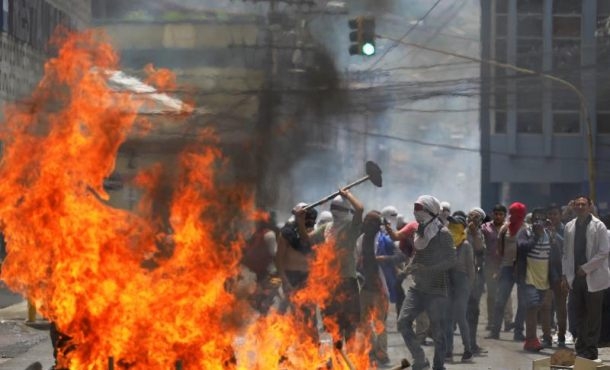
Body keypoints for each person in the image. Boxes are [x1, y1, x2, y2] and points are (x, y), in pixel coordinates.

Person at [396, 195, 455, 370]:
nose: (416, 212)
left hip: (436, 288)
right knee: (403, 322)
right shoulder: (419, 232)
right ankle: (420, 358)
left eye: (419, 208)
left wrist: (429, 269)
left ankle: (438, 366)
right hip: (418, 287)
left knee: (438, 332)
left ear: (430, 211)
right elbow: (418, 256)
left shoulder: (443, 233)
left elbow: (451, 260)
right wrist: (406, 270)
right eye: (415, 208)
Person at [298, 189, 364, 344]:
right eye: (334, 208)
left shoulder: (351, 227)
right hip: (330, 283)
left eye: (339, 208)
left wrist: (347, 195)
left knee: (350, 327)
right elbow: (306, 239)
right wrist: (300, 220)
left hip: (347, 281)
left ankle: (351, 363)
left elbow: (360, 209)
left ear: (346, 210)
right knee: (334, 328)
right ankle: (338, 361)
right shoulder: (327, 227)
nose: (336, 211)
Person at [561, 196, 610, 360]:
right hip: (575, 278)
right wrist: (565, 276)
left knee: (593, 315)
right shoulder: (569, 226)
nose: (580, 207)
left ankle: (591, 349)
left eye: (584, 204)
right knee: (578, 314)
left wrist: (586, 268)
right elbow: (566, 253)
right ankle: (580, 347)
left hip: (594, 277)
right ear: (574, 207)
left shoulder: (599, 226)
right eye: (577, 204)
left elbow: (604, 252)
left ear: (590, 206)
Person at [486, 202, 527, 341]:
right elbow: (500, 250)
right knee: (500, 300)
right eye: (512, 213)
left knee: (523, 302)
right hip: (507, 268)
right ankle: (495, 331)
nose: (514, 216)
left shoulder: (526, 229)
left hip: (522, 269)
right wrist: (498, 268)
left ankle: (518, 331)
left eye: (518, 213)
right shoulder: (505, 229)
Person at [517, 208, 557, 352]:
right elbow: (522, 247)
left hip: (544, 278)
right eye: (536, 219)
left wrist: (552, 233)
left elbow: (555, 251)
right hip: (529, 277)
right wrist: (536, 236)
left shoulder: (548, 233)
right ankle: (531, 340)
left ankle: (537, 339)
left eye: (541, 218)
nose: (538, 221)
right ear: (532, 220)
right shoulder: (525, 232)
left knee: (540, 308)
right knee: (532, 307)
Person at [356, 211, 391, 364]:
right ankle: (371, 351)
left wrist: (385, 258)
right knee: (363, 323)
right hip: (365, 288)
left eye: (371, 222)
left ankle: (382, 353)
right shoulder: (360, 240)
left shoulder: (385, 241)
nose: (367, 225)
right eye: (366, 222)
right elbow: (357, 261)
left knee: (379, 323)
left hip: (379, 290)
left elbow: (401, 256)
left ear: (377, 226)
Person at [276, 204, 318, 326]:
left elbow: (311, 247)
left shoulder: (312, 233)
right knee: (294, 316)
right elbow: (279, 260)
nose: (310, 224)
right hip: (291, 277)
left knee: (309, 316)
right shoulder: (287, 234)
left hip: (307, 278)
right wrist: (285, 281)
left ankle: (310, 342)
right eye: (307, 219)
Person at [445, 212, 475, 363]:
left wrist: (468, 289)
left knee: (461, 317)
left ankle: (468, 349)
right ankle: (448, 351)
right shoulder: (447, 243)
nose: (451, 227)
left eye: (455, 225)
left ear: (461, 227)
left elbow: (471, 270)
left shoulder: (466, 245)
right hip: (449, 281)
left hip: (462, 282)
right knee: (448, 318)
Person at [481, 204, 514, 332]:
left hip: (506, 264)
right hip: (490, 265)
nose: (498, 216)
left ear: (504, 215)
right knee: (492, 295)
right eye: (496, 214)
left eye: (501, 214)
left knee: (506, 294)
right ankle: (491, 322)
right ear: (493, 214)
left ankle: (508, 321)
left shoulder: (509, 228)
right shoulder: (485, 227)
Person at [465, 207, 487, 355]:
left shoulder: (479, 233)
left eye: (476, 217)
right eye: (471, 216)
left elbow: (480, 249)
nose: (473, 219)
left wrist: (474, 232)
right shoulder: (462, 231)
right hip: (463, 276)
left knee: (473, 311)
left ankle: (471, 343)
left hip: (476, 276)